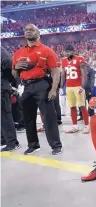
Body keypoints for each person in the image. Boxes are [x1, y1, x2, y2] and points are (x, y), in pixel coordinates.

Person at [12, 24, 62, 155]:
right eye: (26, 30)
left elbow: (55, 72)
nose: (28, 31)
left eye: (31, 30)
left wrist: (53, 90)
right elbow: (15, 75)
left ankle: (56, 145)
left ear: (38, 33)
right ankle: (33, 145)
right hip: (26, 87)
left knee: (49, 117)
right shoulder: (18, 53)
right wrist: (16, 67)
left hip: (42, 85)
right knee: (28, 118)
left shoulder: (47, 51)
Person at [61, 45, 90, 134]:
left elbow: (84, 74)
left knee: (82, 106)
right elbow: (63, 74)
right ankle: (75, 126)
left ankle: (87, 126)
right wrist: (61, 87)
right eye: (66, 52)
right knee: (72, 106)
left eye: (69, 51)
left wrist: (82, 86)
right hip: (69, 87)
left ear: (73, 51)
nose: (67, 53)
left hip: (78, 86)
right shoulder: (64, 61)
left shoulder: (79, 59)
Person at [1, 46, 20, 152]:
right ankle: (3, 139)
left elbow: (9, 65)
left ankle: (12, 142)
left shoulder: (2, 53)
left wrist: (9, 84)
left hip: (2, 88)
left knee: (5, 116)